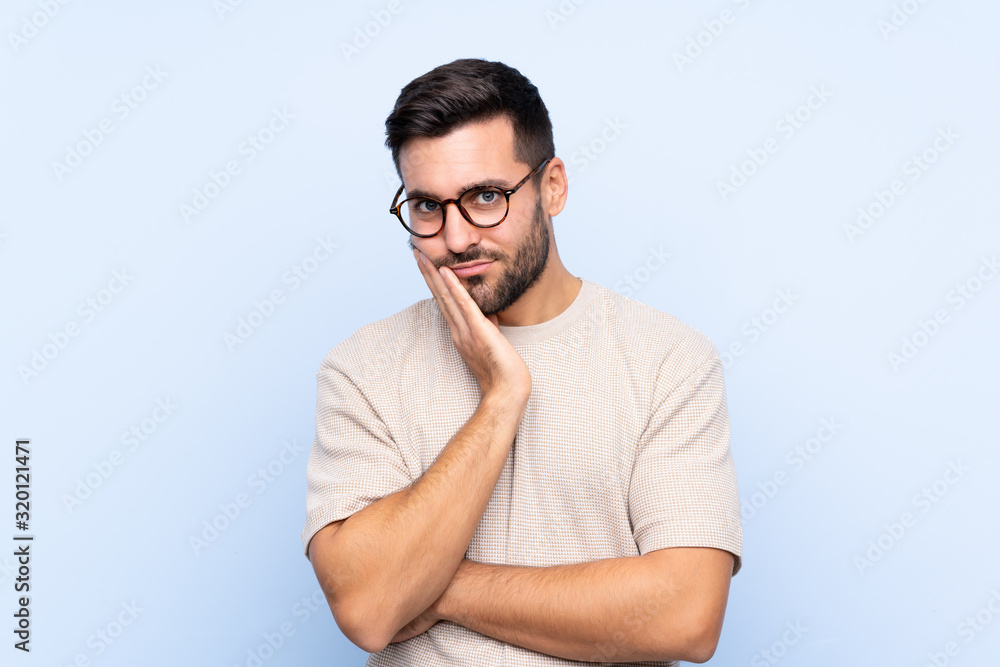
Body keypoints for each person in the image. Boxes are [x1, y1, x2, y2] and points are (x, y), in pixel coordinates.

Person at [302, 58, 742, 667]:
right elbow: (369, 612)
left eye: (486, 197)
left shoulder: (667, 358)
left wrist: (435, 586)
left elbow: (686, 617)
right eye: (428, 206)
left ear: (553, 186)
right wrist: (501, 397)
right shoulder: (362, 369)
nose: (455, 239)